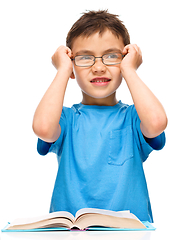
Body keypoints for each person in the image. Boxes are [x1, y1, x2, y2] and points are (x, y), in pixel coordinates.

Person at [32, 10, 167, 223]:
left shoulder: (134, 118)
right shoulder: (66, 119)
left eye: (111, 56)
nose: (98, 67)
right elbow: (43, 128)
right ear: (72, 65)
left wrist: (130, 71)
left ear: (124, 61)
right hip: (72, 234)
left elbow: (157, 123)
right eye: (84, 57)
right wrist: (62, 71)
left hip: (131, 234)